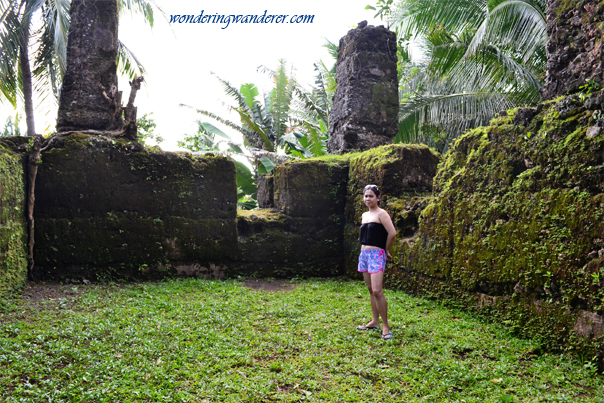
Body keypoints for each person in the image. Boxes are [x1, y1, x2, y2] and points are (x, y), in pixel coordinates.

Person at [356, 184, 397, 339]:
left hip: (376, 254)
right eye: (366, 196)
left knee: (377, 291)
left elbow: (392, 233)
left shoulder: (382, 214)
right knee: (370, 289)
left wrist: (385, 249)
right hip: (364, 254)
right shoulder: (364, 215)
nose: (368, 199)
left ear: (378, 197)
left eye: (371, 196)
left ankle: (385, 326)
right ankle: (374, 321)